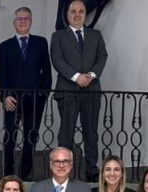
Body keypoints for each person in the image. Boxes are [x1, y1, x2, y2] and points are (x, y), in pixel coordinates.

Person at [50, 0, 108, 182]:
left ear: (84, 14)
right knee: (66, 132)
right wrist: (76, 77)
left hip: (91, 91)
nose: (77, 14)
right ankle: (63, 169)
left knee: (91, 132)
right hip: (67, 91)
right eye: (73, 11)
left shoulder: (96, 35)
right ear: (67, 15)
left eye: (80, 11)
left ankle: (91, 169)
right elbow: (57, 59)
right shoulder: (58, 36)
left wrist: (90, 75)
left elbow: (102, 56)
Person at [0, 6, 52, 180]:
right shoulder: (5, 46)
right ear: (14, 22)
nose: (22, 21)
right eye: (19, 18)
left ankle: (25, 174)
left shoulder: (40, 42)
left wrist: (43, 96)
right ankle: (8, 173)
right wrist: (5, 96)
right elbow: (1, 73)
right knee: (10, 136)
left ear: (31, 21)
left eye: (26, 18)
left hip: (35, 99)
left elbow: (47, 72)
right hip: (12, 99)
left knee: (31, 136)